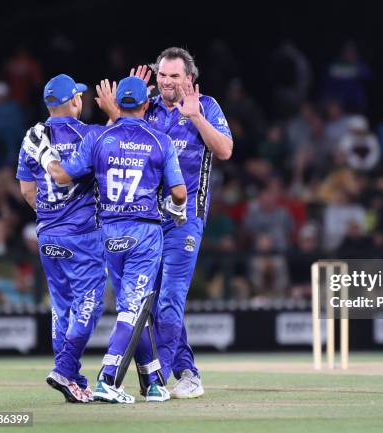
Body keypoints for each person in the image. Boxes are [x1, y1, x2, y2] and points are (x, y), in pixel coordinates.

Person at [24, 76, 187, 404]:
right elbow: (180, 194)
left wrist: (53, 214)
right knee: (127, 305)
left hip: (96, 233)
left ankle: (153, 380)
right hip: (131, 232)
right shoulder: (152, 140)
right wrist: (174, 207)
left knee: (78, 306)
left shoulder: (93, 138)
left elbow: (39, 186)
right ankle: (104, 377)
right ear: (146, 105)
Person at [96, 48, 233, 398]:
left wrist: (197, 118)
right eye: (162, 76)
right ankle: (188, 373)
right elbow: (114, 144)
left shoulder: (207, 105)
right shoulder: (146, 106)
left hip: (186, 219)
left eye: (174, 76)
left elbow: (225, 150)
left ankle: (157, 379)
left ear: (190, 79)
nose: (167, 82)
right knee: (151, 302)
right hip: (148, 220)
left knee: (170, 296)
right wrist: (118, 112)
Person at [16, 74, 106, 403]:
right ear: (73, 102)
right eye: (79, 96)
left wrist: (52, 212)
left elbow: (27, 190)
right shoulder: (88, 134)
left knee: (61, 305)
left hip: (47, 234)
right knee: (91, 303)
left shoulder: (32, 136)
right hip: (82, 236)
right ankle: (65, 369)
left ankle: (72, 377)